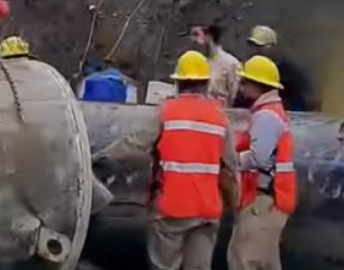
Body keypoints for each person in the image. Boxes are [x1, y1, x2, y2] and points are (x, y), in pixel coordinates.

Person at [92, 51, 237, 270]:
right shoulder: (220, 118)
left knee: (164, 266)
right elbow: (231, 167)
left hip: (172, 208)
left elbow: (135, 144)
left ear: (178, 83)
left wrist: (100, 157)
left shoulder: (166, 112)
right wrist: (234, 201)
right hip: (207, 209)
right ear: (206, 84)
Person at [229, 55, 297, 270]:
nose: (242, 87)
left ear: (258, 85)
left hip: (263, 201)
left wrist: (229, 161)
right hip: (271, 199)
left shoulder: (266, 116)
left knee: (245, 260)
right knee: (265, 262)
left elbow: (258, 158)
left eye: (245, 82)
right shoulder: (271, 113)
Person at [247, 25, 313, 113]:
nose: (255, 50)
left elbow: (299, 106)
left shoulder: (289, 73)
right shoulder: (248, 69)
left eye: (260, 46)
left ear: (273, 47)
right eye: (252, 46)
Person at [189, 24, 240, 105]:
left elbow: (234, 96)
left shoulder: (230, 63)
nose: (192, 39)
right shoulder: (191, 61)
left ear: (209, 36)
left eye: (196, 34)